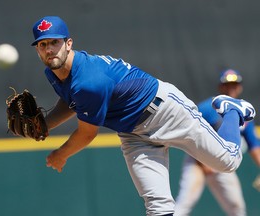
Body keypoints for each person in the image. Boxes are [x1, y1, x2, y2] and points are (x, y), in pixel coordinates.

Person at [31, 16, 256, 216]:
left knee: (228, 161)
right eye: (43, 44)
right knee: (158, 207)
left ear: (68, 44)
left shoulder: (89, 81)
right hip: (133, 133)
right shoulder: (54, 72)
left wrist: (61, 154)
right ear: (37, 49)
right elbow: (72, 101)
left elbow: (87, 134)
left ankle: (232, 109)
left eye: (55, 42)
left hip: (165, 111)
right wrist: (45, 124)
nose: (50, 49)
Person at [174, 69, 260, 216]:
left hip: (222, 162)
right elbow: (191, 135)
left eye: (235, 84)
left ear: (240, 87)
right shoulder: (208, 107)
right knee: (184, 204)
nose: (231, 87)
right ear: (221, 87)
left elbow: (254, 145)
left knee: (237, 207)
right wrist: (203, 162)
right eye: (228, 84)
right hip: (197, 161)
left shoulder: (243, 112)